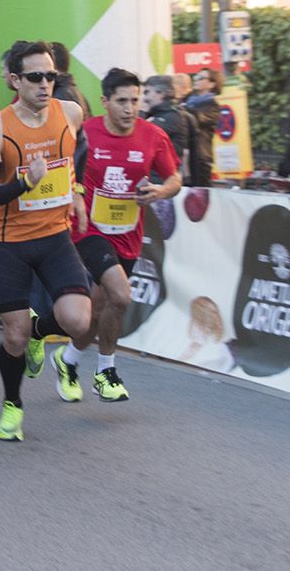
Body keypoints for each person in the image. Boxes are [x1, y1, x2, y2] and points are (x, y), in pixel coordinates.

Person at [0, 40, 92, 442]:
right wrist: (25, 182)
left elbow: (78, 155)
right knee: (13, 336)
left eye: (50, 76)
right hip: (11, 243)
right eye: (35, 77)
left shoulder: (71, 112)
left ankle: (43, 333)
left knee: (79, 319)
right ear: (14, 80)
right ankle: (12, 404)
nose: (45, 84)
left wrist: (74, 191)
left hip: (56, 236)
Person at [57, 67, 182, 403]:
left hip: (128, 233)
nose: (130, 109)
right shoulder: (86, 132)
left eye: (135, 101)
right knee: (122, 295)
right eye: (122, 101)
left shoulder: (153, 136)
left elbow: (175, 179)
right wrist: (76, 195)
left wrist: (159, 191)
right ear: (105, 102)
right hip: (88, 230)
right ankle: (106, 370)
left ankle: (67, 360)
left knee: (99, 309)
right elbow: (64, 170)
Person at [140, 75, 194, 180]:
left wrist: (142, 112)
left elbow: (139, 134)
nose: (144, 98)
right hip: (155, 178)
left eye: (147, 92)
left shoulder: (172, 116)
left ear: (162, 94)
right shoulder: (158, 115)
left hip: (162, 181)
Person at [185, 68, 221, 186]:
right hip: (186, 155)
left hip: (200, 157)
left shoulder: (213, 106)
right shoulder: (188, 100)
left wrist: (183, 108)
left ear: (211, 84)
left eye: (201, 78)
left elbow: (199, 119)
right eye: (195, 77)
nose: (196, 80)